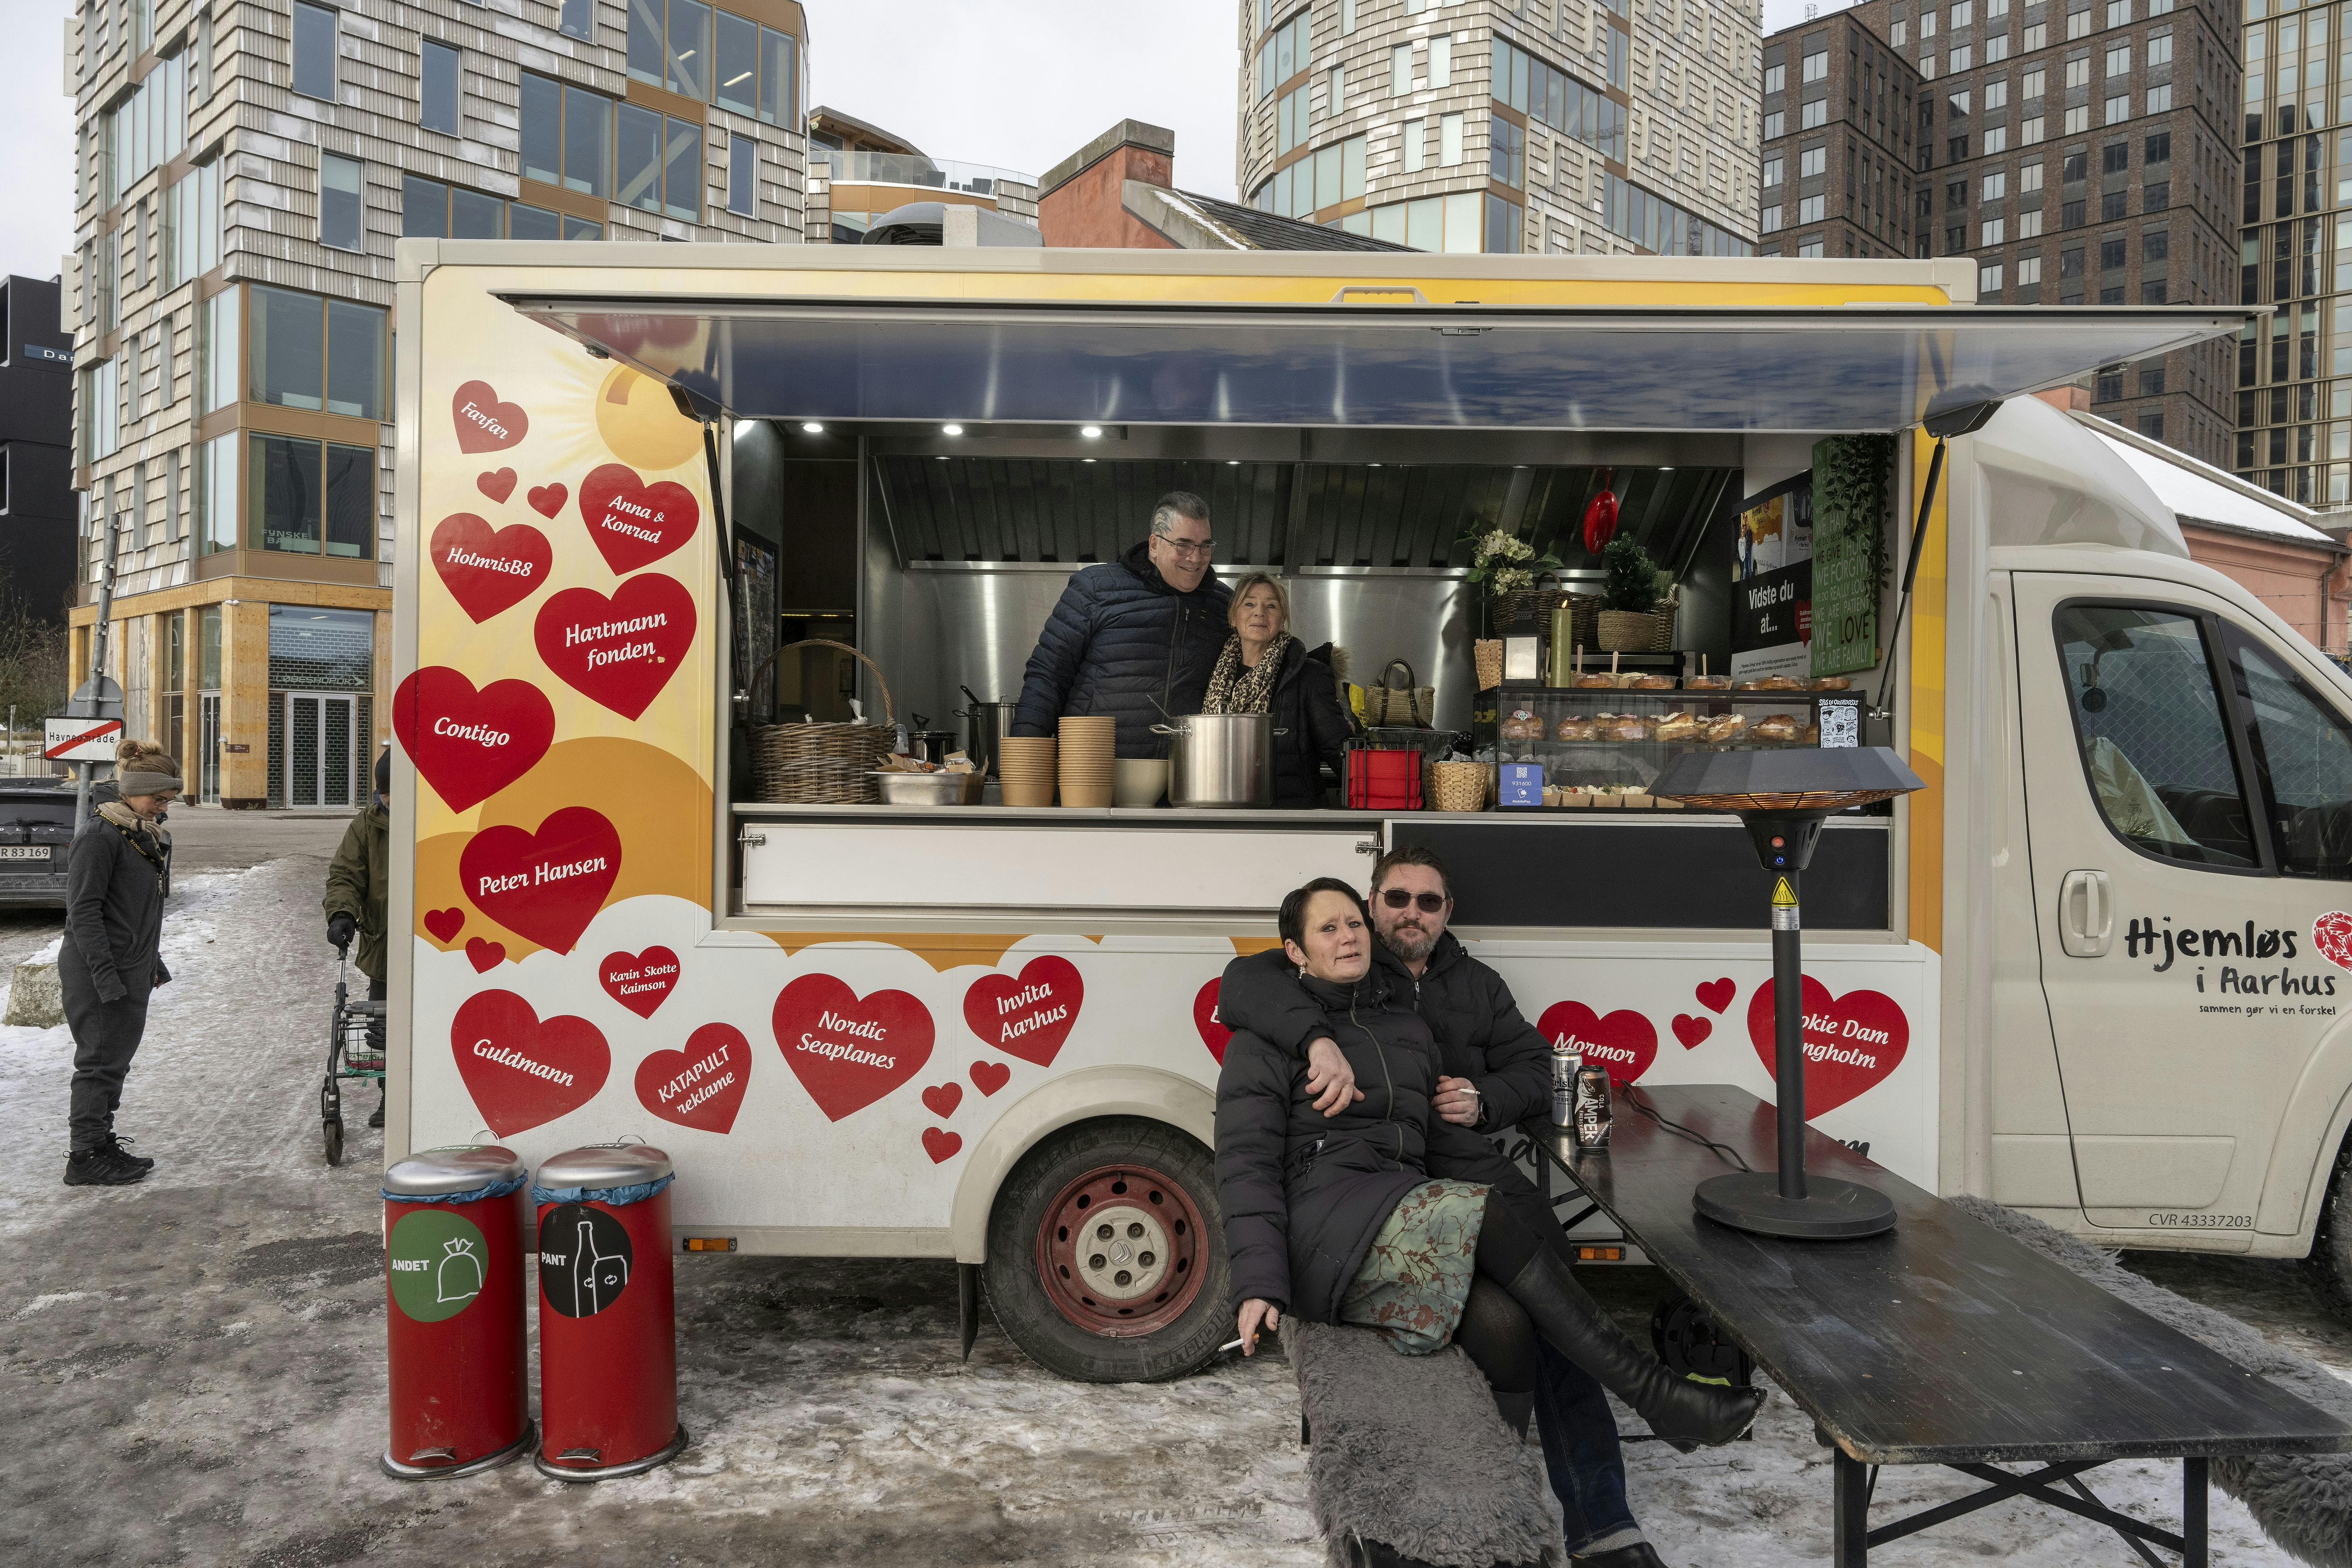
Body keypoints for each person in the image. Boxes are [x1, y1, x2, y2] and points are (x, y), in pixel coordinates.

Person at [1215, 879, 1761, 1483]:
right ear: (1294, 953)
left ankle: (1491, 1488)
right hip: (1325, 1229)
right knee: (1479, 1210)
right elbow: (1245, 1164)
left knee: (1505, 1321)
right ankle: (1653, 1394)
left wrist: (1540, 1233)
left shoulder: (1405, 1031)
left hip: (1401, 1221)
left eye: (1352, 924)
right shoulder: (1264, 1042)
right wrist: (1257, 1281)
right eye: (1327, 928)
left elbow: (1444, 1144)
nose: (1347, 937)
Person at [1010, 491, 1233, 758]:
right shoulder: (1095, 587)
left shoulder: (1224, 604)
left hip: (1185, 780)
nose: (1196, 558)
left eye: (1205, 546)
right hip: (1093, 772)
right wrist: (1022, 759)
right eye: (1183, 545)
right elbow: (1047, 676)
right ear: (1154, 544)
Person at [61, 738, 181, 1187]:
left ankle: (101, 1141)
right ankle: (84, 1156)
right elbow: (84, 913)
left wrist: (152, 959)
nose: (163, 807)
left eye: (169, 799)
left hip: (128, 966)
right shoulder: (100, 836)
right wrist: (107, 977)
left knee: (114, 1061)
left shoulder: (135, 834)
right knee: (97, 1062)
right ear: (133, 789)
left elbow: (132, 911)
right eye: (158, 797)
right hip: (98, 969)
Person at [1201, 573, 1355, 807]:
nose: (1259, 613)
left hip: (1289, 814)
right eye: (1249, 603)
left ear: (1283, 618)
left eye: (1271, 606)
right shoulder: (1210, 671)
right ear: (1234, 615)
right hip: (1220, 808)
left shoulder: (1309, 675)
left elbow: (1340, 752)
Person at [325, 750, 391, 1128]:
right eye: (383, 792)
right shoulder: (368, 825)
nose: (388, 799)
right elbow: (346, 875)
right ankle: (391, 1096)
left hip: (442, 946)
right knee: (383, 1028)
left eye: (395, 791)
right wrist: (342, 913)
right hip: (386, 947)